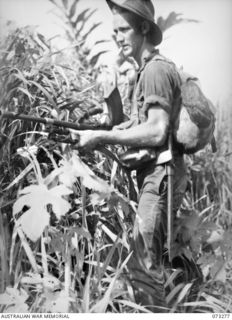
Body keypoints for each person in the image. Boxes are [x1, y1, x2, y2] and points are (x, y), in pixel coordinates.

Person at [71, 0, 187, 312]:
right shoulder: (140, 74)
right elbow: (126, 125)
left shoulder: (156, 70)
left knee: (144, 264)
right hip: (154, 175)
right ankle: (193, 302)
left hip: (162, 175)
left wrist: (100, 137)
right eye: (114, 32)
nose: (117, 37)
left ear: (144, 28)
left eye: (123, 30)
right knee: (161, 256)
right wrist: (110, 95)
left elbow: (156, 132)